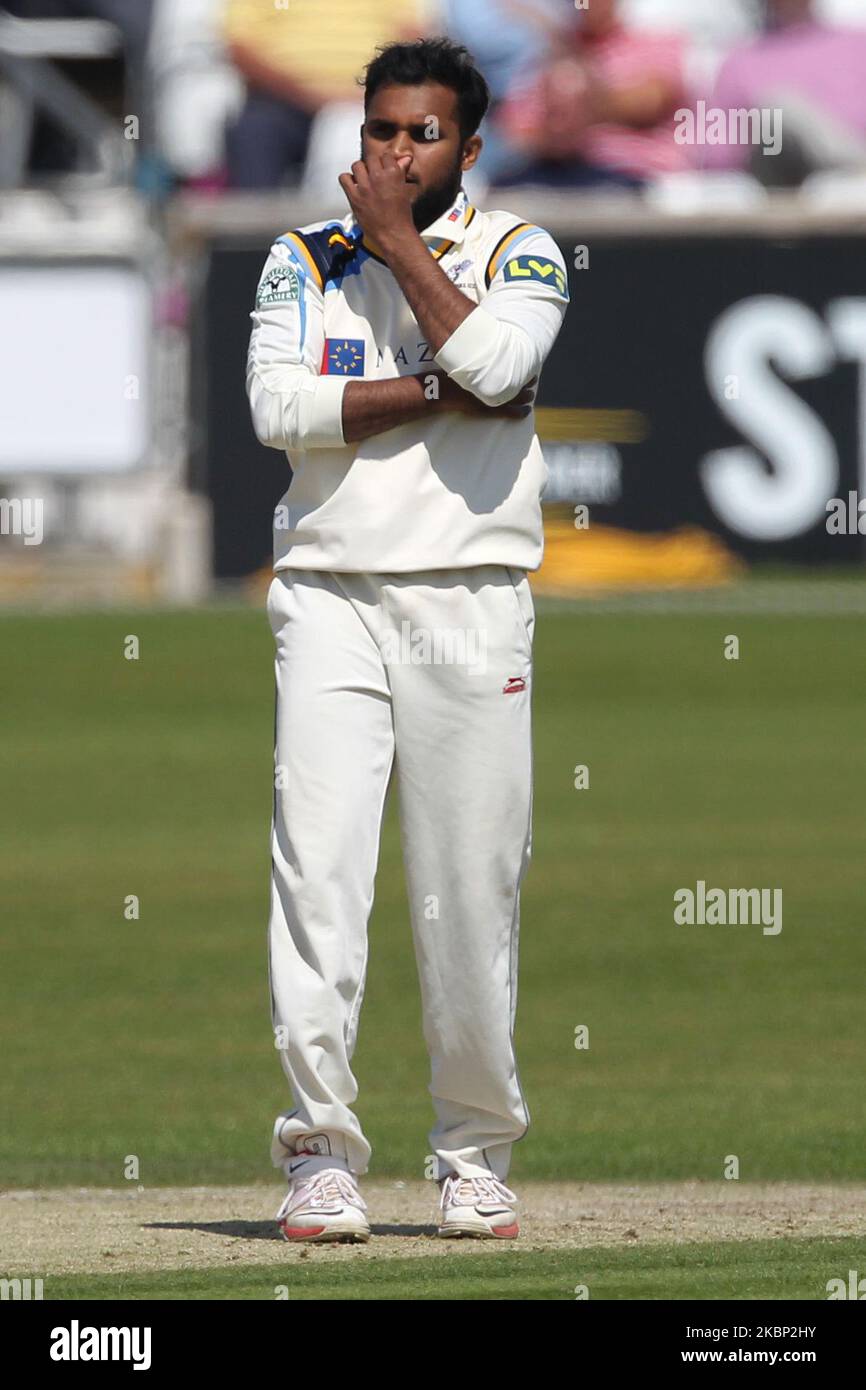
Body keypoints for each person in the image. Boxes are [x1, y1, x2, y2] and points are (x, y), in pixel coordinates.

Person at [245, 36, 570, 1242]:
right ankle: (319, 1153)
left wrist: (399, 248)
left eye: (420, 134)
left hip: (470, 596)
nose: (392, 152)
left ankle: (473, 1154)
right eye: (379, 129)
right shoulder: (299, 258)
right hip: (327, 592)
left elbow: (502, 358)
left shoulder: (517, 248)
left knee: (468, 887)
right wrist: (437, 393)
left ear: (468, 149)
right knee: (317, 875)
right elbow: (281, 410)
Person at [492, 0, 690, 189]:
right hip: (556, 182)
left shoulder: (654, 43)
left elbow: (649, 103)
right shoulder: (540, 55)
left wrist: (571, 90)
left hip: (638, 183)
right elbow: (515, 131)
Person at [701, 0, 866, 184]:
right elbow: (718, 158)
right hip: (779, 187)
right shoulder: (739, 63)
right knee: (778, 109)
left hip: (845, 183)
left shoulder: (858, 46)